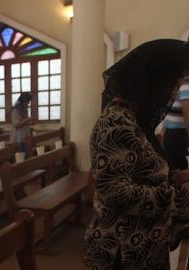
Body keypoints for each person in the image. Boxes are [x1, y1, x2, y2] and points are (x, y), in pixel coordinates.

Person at [84, 39, 189, 270]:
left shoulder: (135, 120)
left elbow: (143, 173)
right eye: (170, 85)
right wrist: (179, 198)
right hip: (121, 252)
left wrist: (176, 177)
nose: (172, 94)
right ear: (152, 82)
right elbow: (117, 193)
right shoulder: (115, 123)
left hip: (145, 245)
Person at [163, 76, 189, 170]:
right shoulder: (187, 82)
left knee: (174, 166)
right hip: (179, 133)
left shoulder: (181, 82)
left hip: (173, 132)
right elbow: (187, 111)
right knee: (179, 167)